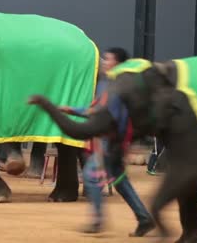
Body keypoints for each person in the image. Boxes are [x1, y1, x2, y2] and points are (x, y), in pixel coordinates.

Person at [57, 47, 155, 236]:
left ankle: (98, 221)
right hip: (108, 140)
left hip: (110, 141)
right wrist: (75, 110)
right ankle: (144, 218)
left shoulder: (119, 85)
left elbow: (113, 114)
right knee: (121, 182)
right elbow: (98, 109)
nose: (103, 62)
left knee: (91, 177)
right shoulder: (108, 84)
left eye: (108, 59)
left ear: (117, 63)